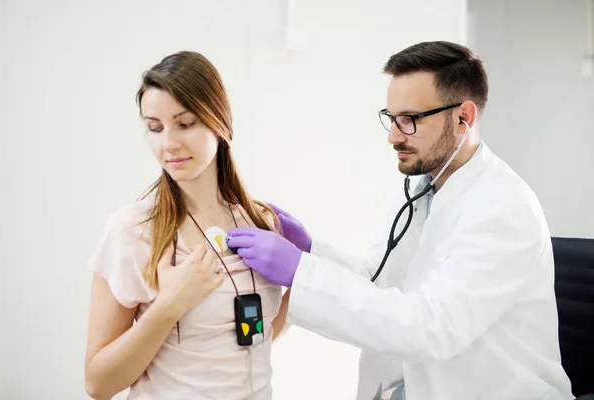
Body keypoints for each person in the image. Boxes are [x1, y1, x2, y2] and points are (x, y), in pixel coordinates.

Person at [227, 41, 573, 400]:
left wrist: (300, 271)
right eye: (392, 119)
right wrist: (312, 252)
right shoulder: (419, 189)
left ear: (463, 118)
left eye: (409, 120)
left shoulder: (503, 208)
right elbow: (379, 281)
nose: (393, 136)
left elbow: (431, 327)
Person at [84, 51, 290, 400]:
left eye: (185, 123)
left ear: (220, 122)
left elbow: (253, 336)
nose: (168, 144)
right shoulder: (133, 231)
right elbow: (98, 384)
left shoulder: (260, 222)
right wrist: (169, 307)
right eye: (154, 127)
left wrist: (306, 281)